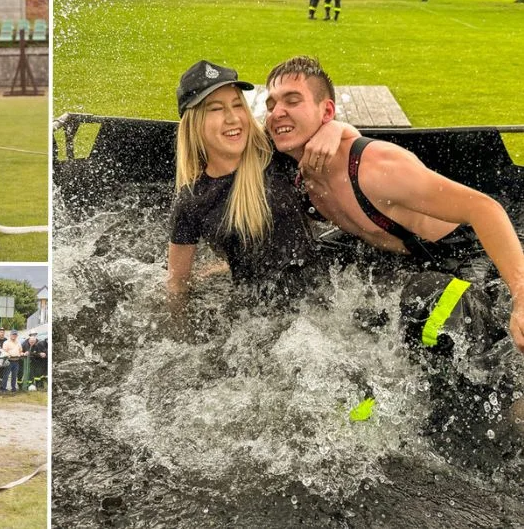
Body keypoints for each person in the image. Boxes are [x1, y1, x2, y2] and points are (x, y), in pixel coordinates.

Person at [265, 55, 524, 454]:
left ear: (325, 110)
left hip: (461, 253)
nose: (277, 112)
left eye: (292, 100)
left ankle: (505, 407)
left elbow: (485, 209)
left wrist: (521, 295)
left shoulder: (376, 166)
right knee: (292, 270)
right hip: (390, 251)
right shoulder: (294, 165)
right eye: (271, 103)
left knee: (428, 315)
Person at [167, 59, 352, 317]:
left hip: (322, 300)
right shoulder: (192, 201)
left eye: (236, 105)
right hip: (258, 320)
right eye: (216, 109)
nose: (233, 118)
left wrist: (336, 128)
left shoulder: (271, 149)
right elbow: (177, 284)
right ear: (194, 123)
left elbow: (349, 147)